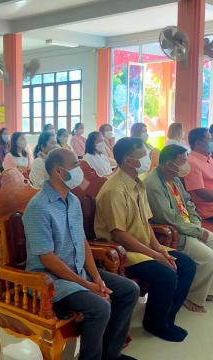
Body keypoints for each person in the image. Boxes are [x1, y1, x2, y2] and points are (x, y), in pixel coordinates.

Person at [23, 148, 139, 360]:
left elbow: (82, 241)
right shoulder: (39, 207)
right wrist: (88, 286)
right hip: (49, 281)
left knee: (129, 290)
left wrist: (96, 278)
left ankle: (110, 354)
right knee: (100, 307)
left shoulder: (73, 201)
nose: (80, 170)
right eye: (75, 165)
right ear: (59, 172)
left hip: (77, 272)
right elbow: (47, 258)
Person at [95, 137, 196, 342]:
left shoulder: (137, 183)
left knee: (187, 265)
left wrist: (160, 249)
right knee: (166, 274)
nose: (147, 159)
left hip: (142, 247)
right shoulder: (114, 189)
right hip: (122, 252)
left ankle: (167, 318)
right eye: (142, 155)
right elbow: (119, 234)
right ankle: (155, 323)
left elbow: (145, 222)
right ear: (127, 159)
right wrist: (155, 255)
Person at [145, 144, 213, 313]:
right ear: (169, 163)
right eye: (183, 161)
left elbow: (188, 202)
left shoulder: (174, 177)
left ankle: (208, 291)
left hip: (188, 227)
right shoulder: (153, 184)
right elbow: (167, 218)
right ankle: (192, 297)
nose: (186, 164)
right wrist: (197, 231)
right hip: (173, 233)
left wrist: (197, 224)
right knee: (208, 257)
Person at [183, 128, 213, 226]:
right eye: (209, 140)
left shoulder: (209, 158)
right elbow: (200, 192)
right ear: (198, 142)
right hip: (207, 211)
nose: (212, 142)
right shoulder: (191, 162)